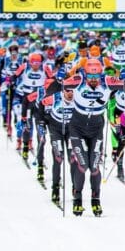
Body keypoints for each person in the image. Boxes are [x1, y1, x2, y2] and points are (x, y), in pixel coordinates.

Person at [65, 58, 109, 216]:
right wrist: (60, 80)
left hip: (96, 130)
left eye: (96, 76)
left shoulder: (107, 82)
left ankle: (96, 200)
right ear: (85, 74)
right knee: (82, 165)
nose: (93, 80)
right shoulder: (78, 81)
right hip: (77, 129)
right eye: (90, 76)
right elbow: (53, 88)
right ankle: (77, 200)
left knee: (95, 166)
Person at [41, 80, 77, 206]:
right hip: (56, 129)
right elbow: (41, 105)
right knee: (58, 158)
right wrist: (42, 122)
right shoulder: (55, 97)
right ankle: (55, 188)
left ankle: (75, 188)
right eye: (68, 91)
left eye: (72, 91)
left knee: (73, 158)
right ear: (63, 91)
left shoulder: (78, 98)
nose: (70, 93)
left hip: (71, 130)